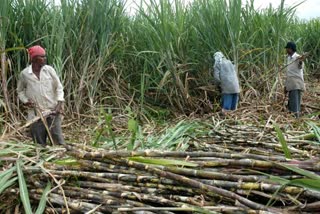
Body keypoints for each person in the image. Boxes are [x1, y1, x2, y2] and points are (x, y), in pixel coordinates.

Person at [17, 45, 65, 146]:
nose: (45, 59)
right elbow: (20, 91)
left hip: (52, 112)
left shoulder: (49, 70)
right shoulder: (25, 74)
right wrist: (26, 101)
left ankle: (59, 159)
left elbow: (59, 87)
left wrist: (59, 104)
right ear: (34, 58)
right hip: (36, 114)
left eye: (44, 56)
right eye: (41, 57)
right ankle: (41, 160)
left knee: (58, 142)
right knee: (39, 144)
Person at [284, 41, 305, 118]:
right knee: (291, 101)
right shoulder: (289, 58)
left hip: (296, 83)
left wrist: (300, 61)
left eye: (287, 49)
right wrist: (286, 85)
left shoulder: (298, 57)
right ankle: (293, 116)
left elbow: (300, 66)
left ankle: (296, 118)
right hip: (290, 82)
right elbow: (288, 72)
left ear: (291, 49)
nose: (286, 50)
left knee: (295, 101)